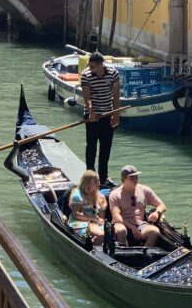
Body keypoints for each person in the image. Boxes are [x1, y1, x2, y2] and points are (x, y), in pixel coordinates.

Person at [81, 50, 121, 186]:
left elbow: (116, 96)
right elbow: (87, 97)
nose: (89, 69)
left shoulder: (113, 73)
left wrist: (116, 114)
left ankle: (103, 177)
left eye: (92, 66)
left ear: (100, 65)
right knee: (91, 146)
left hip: (107, 114)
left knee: (106, 146)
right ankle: (89, 176)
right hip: (92, 116)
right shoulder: (86, 75)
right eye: (89, 66)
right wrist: (91, 112)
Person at [108, 165, 166, 247]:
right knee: (121, 230)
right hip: (123, 224)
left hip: (141, 224)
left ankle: (145, 254)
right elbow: (116, 217)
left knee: (154, 231)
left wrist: (157, 212)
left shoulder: (145, 190)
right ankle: (124, 254)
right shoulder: (115, 195)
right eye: (131, 178)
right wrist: (132, 227)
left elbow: (162, 205)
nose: (135, 180)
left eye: (136, 177)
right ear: (123, 179)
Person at [68, 170, 107, 244]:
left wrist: (99, 221)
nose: (98, 184)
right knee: (101, 235)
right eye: (95, 182)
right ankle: (90, 248)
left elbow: (101, 216)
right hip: (79, 223)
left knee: (108, 234)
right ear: (88, 183)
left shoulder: (101, 197)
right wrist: (92, 219)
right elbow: (75, 214)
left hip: (94, 222)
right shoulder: (79, 196)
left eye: (98, 181)